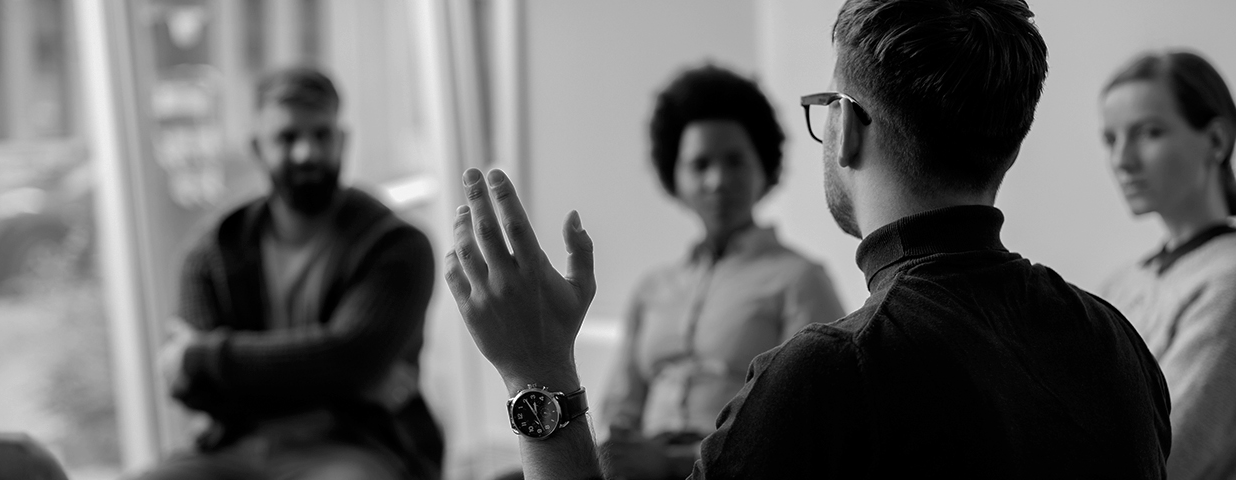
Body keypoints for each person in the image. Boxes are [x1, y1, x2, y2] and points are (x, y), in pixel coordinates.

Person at [443, 0, 1171, 478]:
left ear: (846, 127)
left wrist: (533, 373)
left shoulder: (831, 375)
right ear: (1009, 146)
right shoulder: (1116, 346)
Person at [141, 67, 443, 480]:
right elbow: (190, 388)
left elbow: (350, 358)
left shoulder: (398, 247)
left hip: (354, 445)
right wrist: (337, 380)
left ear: (343, 141)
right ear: (257, 148)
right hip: (233, 446)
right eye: (287, 138)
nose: (307, 153)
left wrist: (205, 356)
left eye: (322, 135)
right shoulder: (210, 254)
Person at [597, 65, 844, 480]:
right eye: (699, 164)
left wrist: (674, 462)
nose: (717, 180)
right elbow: (618, 412)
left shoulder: (800, 280)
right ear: (673, 177)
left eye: (734, 161)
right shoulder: (652, 289)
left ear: (764, 169)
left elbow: (805, 424)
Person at [1098, 50, 1236, 480]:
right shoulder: (1122, 282)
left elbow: (1157, 463)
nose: (1123, 160)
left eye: (1149, 132)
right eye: (1110, 139)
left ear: (1215, 141)